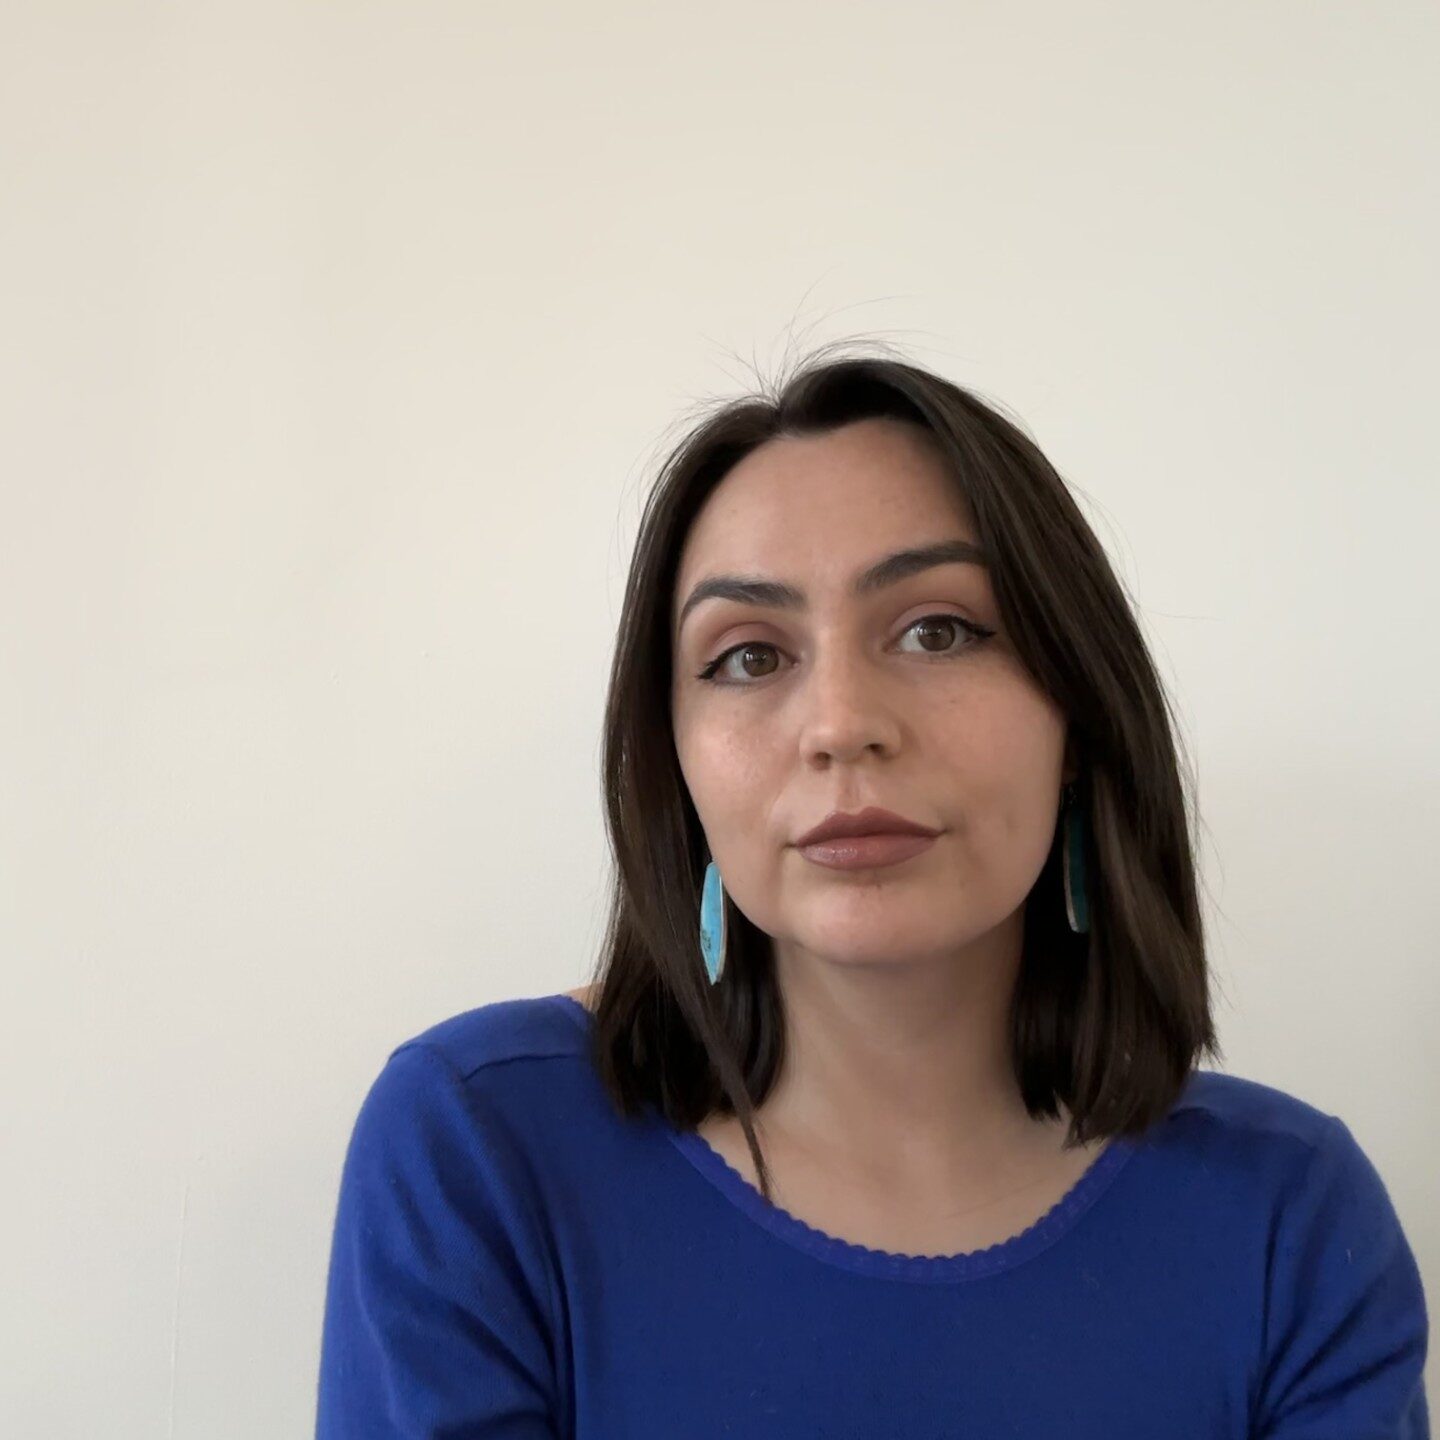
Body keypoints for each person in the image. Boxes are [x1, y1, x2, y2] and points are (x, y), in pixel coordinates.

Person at [314, 345, 1430, 1437]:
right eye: (748, 656)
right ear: (678, 766)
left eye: (939, 630)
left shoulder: (1289, 1221)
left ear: (1080, 720)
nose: (843, 722)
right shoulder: (482, 1152)